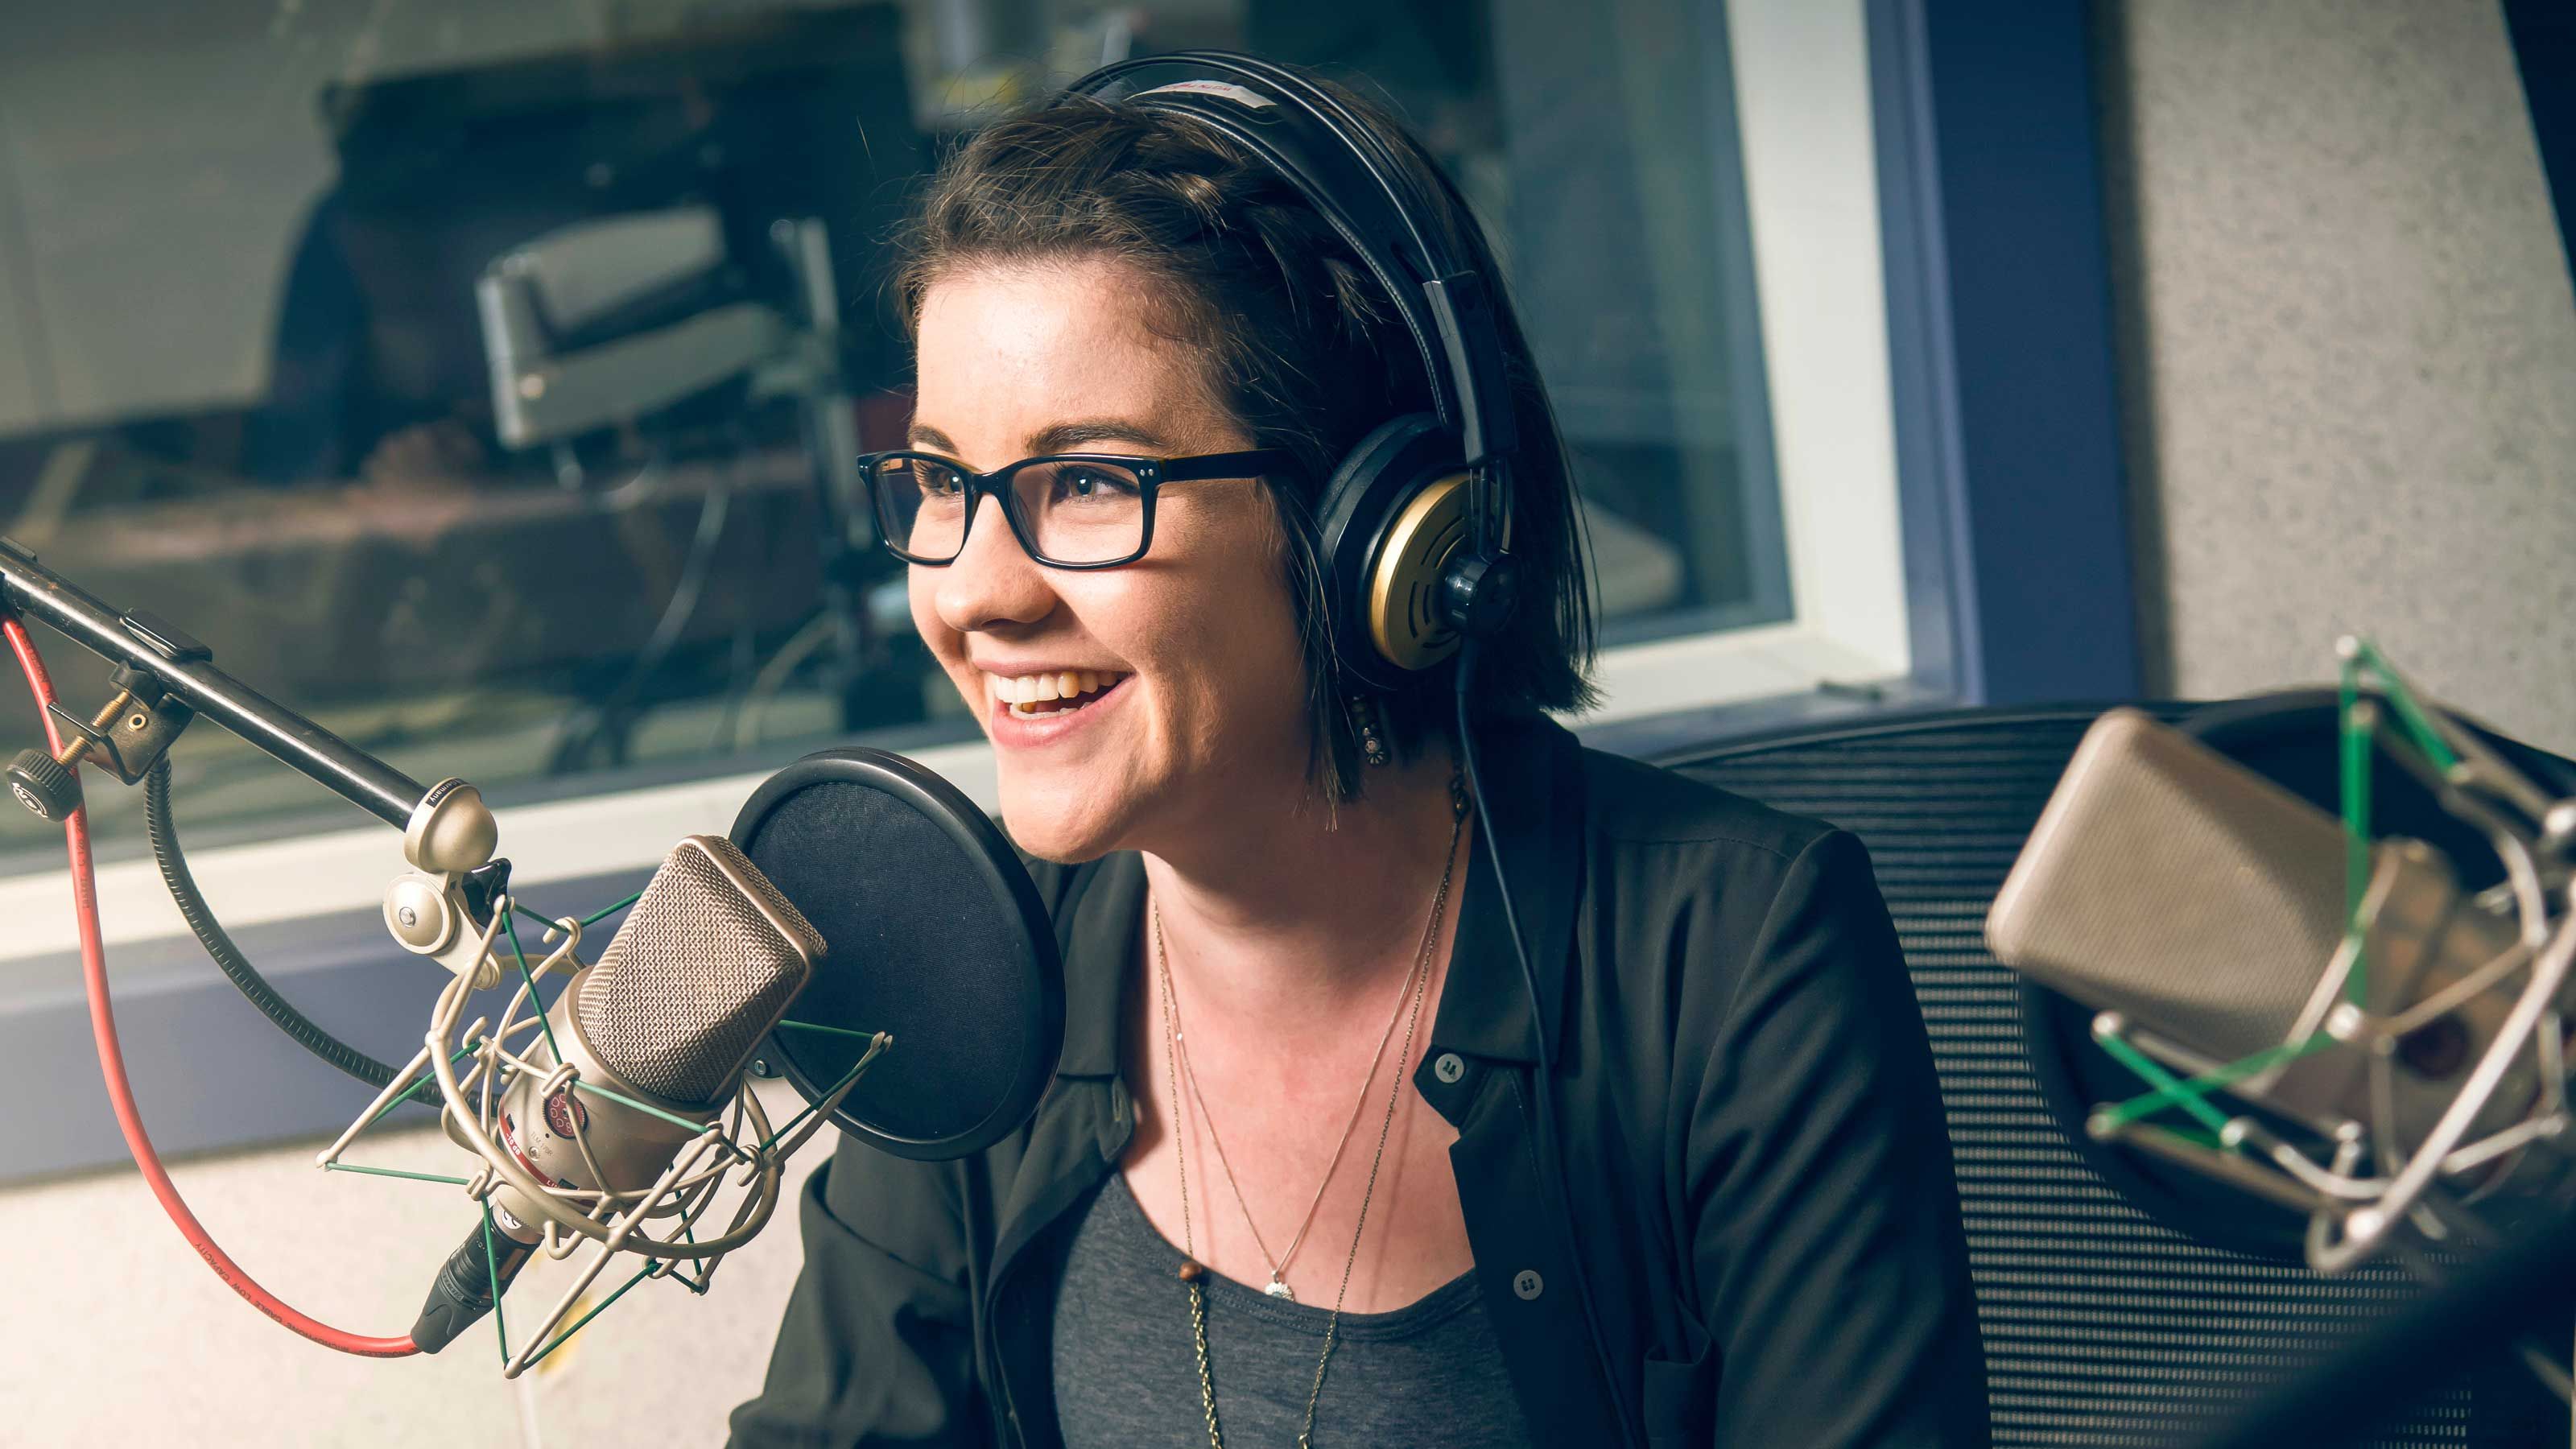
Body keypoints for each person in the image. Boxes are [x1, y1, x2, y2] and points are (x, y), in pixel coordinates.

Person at [729, 56, 1987, 1449]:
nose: (974, 593)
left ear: (1372, 527)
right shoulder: (968, 971)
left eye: (1087, 482)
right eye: (941, 484)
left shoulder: (1737, 959)